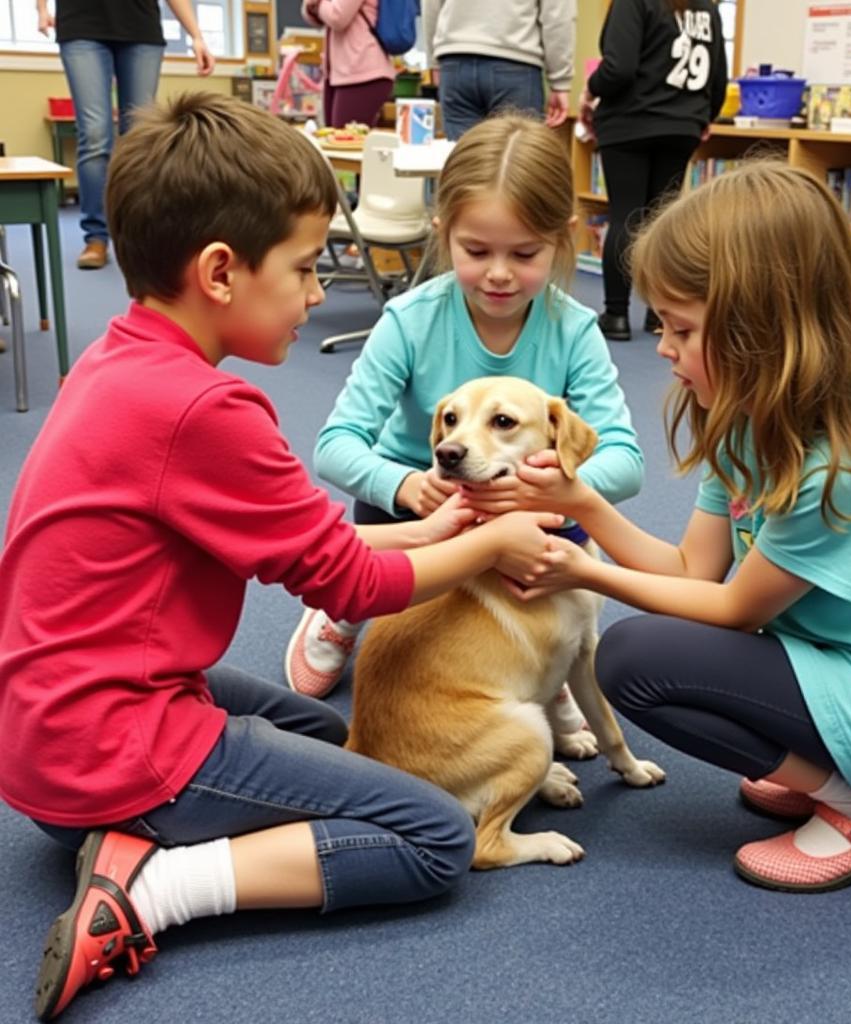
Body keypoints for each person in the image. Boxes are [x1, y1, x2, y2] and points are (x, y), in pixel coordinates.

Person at [0, 93, 572, 1021]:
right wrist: (492, 543)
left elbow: (305, 539)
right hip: (108, 750)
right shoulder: (208, 412)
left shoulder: (120, 362)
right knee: (433, 835)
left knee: (330, 737)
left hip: (54, 726)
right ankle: (151, 890)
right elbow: (349, 583)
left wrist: (435, 529)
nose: (317, 294)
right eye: (306, 269)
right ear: (222, 272)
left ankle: (146, 832)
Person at [467, 162, 851, 893]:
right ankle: (834, 771)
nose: (662, 348)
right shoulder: (749, 426)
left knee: (633, 660)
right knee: (651, 651)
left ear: (764, 330)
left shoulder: (842, 468)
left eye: (683, 330)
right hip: (843, 671)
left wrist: (584, 568)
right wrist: (583, 505)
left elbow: (731, 608)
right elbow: (694, 568)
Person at [285, 112, 644, 748]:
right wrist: (407, 486)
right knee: (386, 513)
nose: (499, 273)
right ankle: (351, 604)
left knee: (566, 540)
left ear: (561, 242)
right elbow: (335, 445)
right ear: (442, 231)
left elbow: (623, 459)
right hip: (421, 507)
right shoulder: (409, 319)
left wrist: (550, 487)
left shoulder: (574, 329)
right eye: (476, 251)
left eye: (524, 254)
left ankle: (529, 647)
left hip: (523, 504)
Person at [580, 0, 726, 342]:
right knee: (663, 219)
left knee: (626, 215)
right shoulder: (707, 7)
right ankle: (660, 315)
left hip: (631, 122)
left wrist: (591, 88)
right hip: (683, 124)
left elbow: (618, 68)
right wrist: (703, 116)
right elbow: (717, 78)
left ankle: (616, 315)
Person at [37, 0, 215, 271]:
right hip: (80, 23)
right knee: (95, 133)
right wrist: (41, 9)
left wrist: (196, 35)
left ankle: (137, 233)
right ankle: (96, 237)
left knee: (140, 135)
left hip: (140, 26)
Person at [422, 0, 574, 139]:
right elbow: (558, 14)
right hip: (515, 63)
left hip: (455, 62)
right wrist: (560, 79)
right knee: (517, 162)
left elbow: (430, 4)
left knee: (464, 163)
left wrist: (434, 62)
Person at [301, 0, 396, 129]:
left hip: (362, 71)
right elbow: (313, 15)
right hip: (342, 73)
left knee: (344, 140)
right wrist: (315, 6)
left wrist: (318, 4)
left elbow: (337, 17)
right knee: (335, 139)